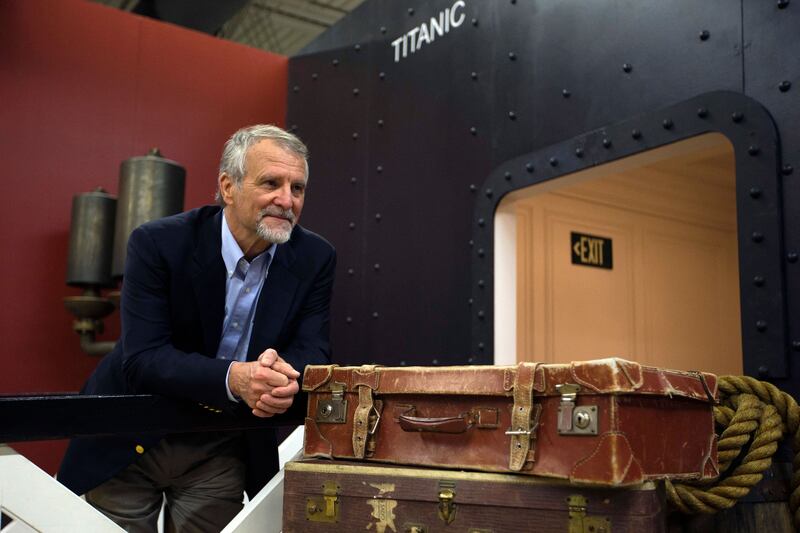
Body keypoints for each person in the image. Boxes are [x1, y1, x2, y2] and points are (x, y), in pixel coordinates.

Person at [58, 124, 336, 531]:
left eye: (298, 188)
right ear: (228, 187)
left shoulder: (316, 257)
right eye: (271, 183)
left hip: (221, 442)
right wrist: (235, 377)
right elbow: (144, 358)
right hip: (132, 433)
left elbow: (313, 350)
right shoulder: (157, 243)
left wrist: (281, 376)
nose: (286, 200)